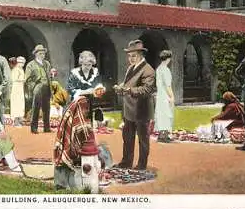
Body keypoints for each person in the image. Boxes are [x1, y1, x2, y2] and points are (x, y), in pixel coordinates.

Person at [113, 40, 155, 170]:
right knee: (128, 138)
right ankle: (126, 162)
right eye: (129, 56)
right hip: (129, 110)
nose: (131, 59)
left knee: (143, 140)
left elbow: (146, 90)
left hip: (141, 110)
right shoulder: (131, 68)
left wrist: (128, 90)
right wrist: (121, 88)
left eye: (134, 56)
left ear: (141, 55)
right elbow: (128, 85)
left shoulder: (148, 70)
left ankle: (142, 165)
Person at [53, 95, 97, 190]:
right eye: (86, 107)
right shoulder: (79, 116)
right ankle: (68, 186)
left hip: (64, 152)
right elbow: (85, 135)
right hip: (68, 156)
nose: (87, 110)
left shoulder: (70, 113)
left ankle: (63, 185)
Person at [66, 50, 105, 124]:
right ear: (81, 64)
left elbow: (99, 84)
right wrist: (84, 92)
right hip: (78, 103)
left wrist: (99, 89)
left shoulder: (95, 72)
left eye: (89, 65)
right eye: (85, 65)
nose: (87, 67)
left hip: (92, 102)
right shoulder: (74, 74)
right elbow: (69, 89)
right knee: (79, 124)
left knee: (91, 124)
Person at [25, 44, 52, 134]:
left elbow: (49, 76)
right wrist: (34, 88)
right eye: (40, 53)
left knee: (47, 108)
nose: (42, 55)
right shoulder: (30, 65)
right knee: (36, 108)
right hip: (38, 88)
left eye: (43, 53)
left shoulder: (47, 64)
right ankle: (34, 128)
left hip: (47, 87)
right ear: (36, 54)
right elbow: (27, 79)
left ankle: (47, 128)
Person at [154, 50, 175, 143]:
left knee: (161, 113)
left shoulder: (158, 69)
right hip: (165, 94)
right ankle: (164, 135)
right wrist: (172, 96)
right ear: (168, 59)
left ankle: (161, 134)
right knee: (167, 113)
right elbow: (168, 85)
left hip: (160, 94)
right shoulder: (166, 70)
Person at [10, 56, 26, 127]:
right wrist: (23, 80)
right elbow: (14, 79)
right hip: (16, 88)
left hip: (20, 88)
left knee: (21, 104)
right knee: (16, 105)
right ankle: (16, 121)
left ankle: (20, 119)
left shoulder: (21, 70)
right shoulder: (16, 69)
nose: (22, 64)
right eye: (21, 63)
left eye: (23, 63)